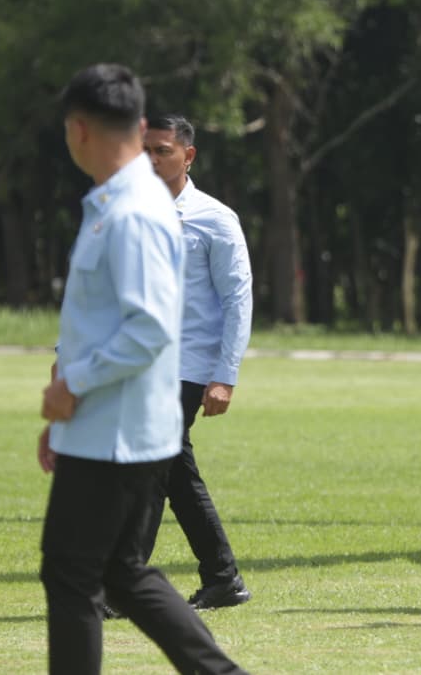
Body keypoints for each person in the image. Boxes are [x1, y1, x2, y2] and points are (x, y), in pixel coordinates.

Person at [38, 64, 244, 674]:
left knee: (74, 571)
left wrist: (73, 386)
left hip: (117, 422)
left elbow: (150, 328)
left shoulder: (132, 211)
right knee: (118, 572)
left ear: (79, 129)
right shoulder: (117, 202)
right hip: (102, 419)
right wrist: (64, 403)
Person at [141, 114, 253, 610]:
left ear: (187, 156)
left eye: (162, 151)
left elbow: (238, 300)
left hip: (188, 366)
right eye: (145, 150)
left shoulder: (215, 218)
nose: (150, 160)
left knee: (151, 468)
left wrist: (225, 376)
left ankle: (126, 583)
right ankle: (223, 577)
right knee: (173, 471)